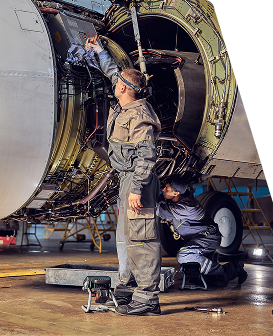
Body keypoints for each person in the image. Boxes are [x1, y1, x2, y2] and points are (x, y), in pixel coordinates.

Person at [85, 37, 162, 316]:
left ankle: (148, 299)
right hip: (127, 178)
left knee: (142, 238)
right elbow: (111, 70)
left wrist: (136, 189)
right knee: (130, 236)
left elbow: (147, 155)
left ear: (125, 89)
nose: (114, 83)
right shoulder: (127, 100)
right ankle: (129, 291)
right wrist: (99, 51)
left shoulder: (139, 114)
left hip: (137, 180)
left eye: (118, 82)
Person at [157, 175, 248, 287]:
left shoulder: (186, 207)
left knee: (184, 256)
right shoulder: (180, 197)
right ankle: (225, 271)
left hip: (208, 238)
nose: (163, 190)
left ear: (176, 193)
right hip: (202, 238)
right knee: (197, 276)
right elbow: (162, 199)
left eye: (166, 188)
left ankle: (227, 270)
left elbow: (160, 211)